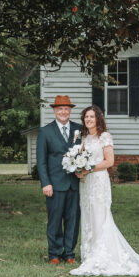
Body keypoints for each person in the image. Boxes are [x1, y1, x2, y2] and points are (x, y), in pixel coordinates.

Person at [69, 105, 139, 276]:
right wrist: (78, 169)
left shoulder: (105, 137)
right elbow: (82, 159)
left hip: (99, 182)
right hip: (86, 184)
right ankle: (90, 253)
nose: (89, 120)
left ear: (98, 119)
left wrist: (89, 169)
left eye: (92, 117)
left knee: (100, 216)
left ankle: (102, 255)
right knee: (88, 215)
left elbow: (109, 162)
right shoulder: (85, 138)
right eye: (86, 117)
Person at [35, 95, 82, 265]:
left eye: (66, 109)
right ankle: (54, 253)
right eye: (60, 109)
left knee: (73, 219)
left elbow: (84, 154)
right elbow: (41, 161)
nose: (63, 112)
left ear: (70, 111)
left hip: (74, 183)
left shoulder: (79, 130)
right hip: (54, 184)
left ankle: (69, 253)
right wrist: (45, 183)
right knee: (54, 220)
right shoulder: (45, 131)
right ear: (54, 111)